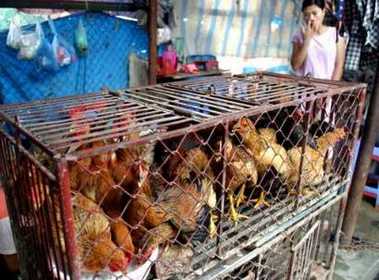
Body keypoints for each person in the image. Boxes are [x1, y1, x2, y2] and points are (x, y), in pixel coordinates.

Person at [291, 0, 346, 80]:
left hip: (326, 88)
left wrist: (331, 89)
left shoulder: (336, 35)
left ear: (323, 11)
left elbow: (339, 66)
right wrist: (307, 40)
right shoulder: (299, 35)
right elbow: (295, 66)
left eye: (314, 13)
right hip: (302, 88)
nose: (311, 18)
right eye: (306, 14)